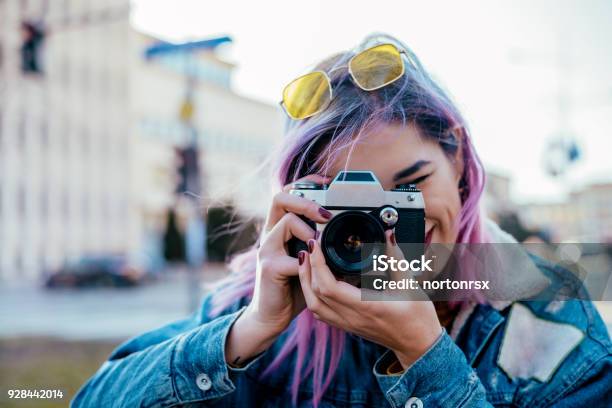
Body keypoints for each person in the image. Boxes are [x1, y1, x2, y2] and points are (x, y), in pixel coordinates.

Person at [72, 34, 611, 407]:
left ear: (462, 168)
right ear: (301, 203)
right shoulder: (266, 303)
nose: (388, 231)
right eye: (351, 208)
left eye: (407, 189)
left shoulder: (546, 317)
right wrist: (251, 329)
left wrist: (426, 357)